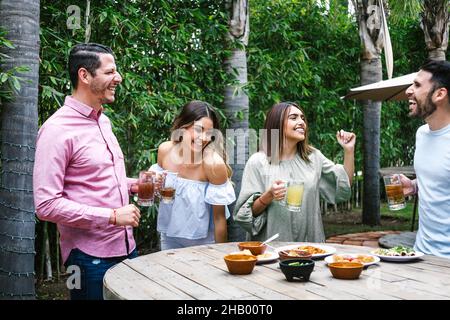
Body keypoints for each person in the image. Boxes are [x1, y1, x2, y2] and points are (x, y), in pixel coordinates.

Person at [33, 43, 141, 300]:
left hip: (127, 249)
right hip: (88, 260)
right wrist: (112, 216)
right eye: (110, 72)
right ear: (85, 75)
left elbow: (95, 180)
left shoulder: (104, 120)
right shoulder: (57, 129)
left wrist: (133, 185)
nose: (119, 78)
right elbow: (46, 204)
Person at [234, 101, 355, 243]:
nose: (301, 122)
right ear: (277, 123)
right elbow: (245, 215)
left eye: (302, 118)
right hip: (271, 250)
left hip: (310, 248)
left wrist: (349, 151)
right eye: (293, 118)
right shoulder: (258, 162)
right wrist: (268, 196)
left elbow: (343, 184)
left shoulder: (314, 157)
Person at [149, 100, 236, 250]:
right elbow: (160, 198)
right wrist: (154, 187)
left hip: (204, 242)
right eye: (198, 129)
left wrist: (220, 255)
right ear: (183, 126)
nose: (203, 138)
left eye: (209, 133)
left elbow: (219, 218)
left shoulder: (213, 164)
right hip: (169, 238)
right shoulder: (165, 150)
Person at [401, 60, 450, 259]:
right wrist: (413, 186)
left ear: (439, 94)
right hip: (420, 253)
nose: (408, 91)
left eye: (417, 85)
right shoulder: (422, 134)